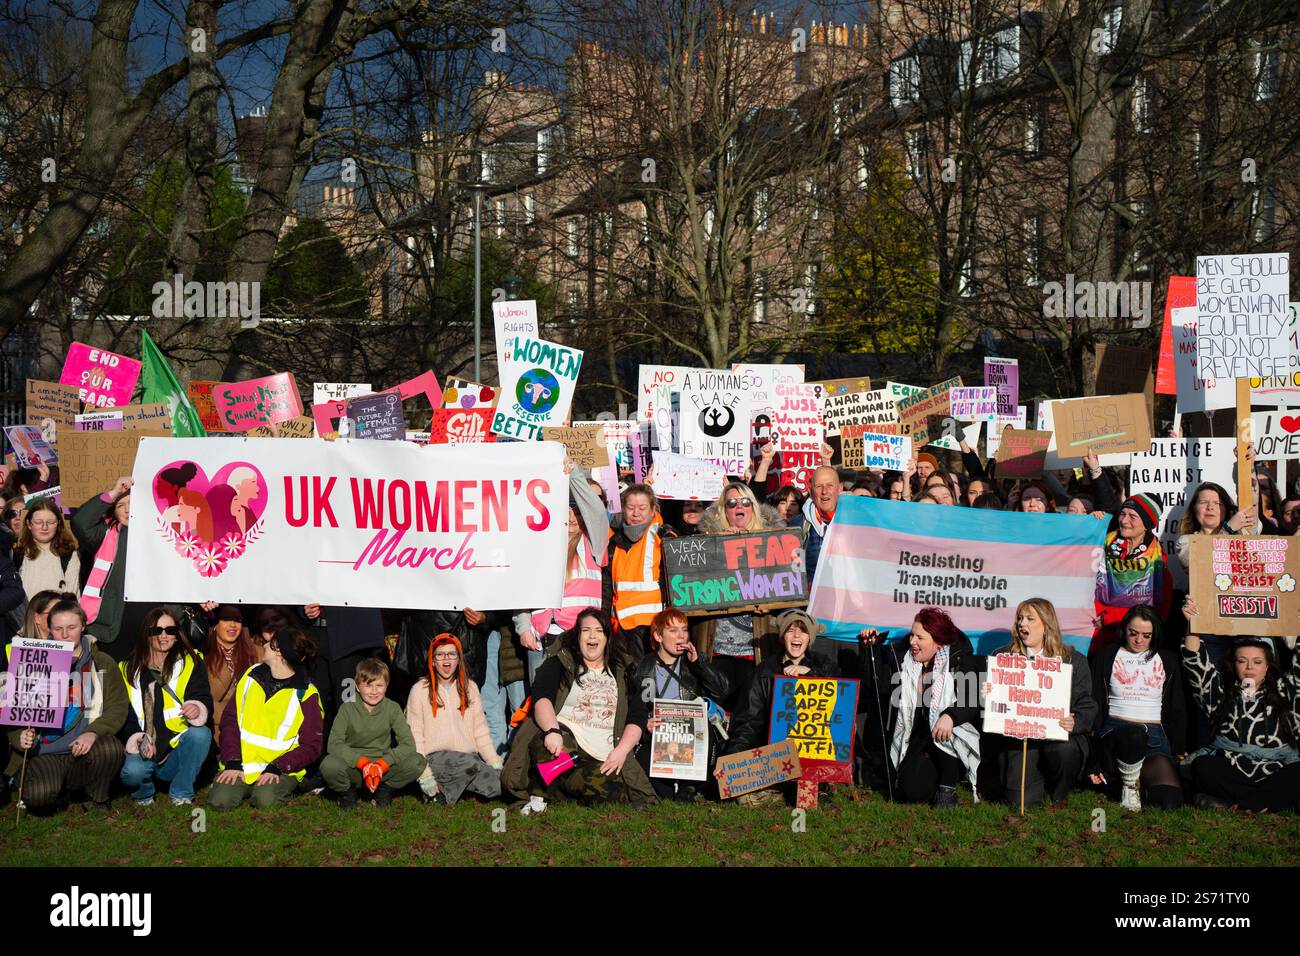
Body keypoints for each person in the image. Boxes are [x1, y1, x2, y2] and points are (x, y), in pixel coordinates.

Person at [501, 608, 655, 809]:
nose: (592, 635)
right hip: (564, 744)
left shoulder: (625, 671)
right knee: (549, 743)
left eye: (599, 630)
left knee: (613, 793)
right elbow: (542, 697)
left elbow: (637, 716)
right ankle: (543, 794)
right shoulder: (560, 661)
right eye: (586, 630)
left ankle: (557, 790)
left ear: (607, 637)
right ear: (578, 636)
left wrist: (622, 751)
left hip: (602, 754)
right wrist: (552, 730)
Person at [5, 598, 127, 812]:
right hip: (46, 752)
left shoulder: (103, 662)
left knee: (110, 748)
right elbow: (17, 714)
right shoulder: (34, 661)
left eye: (71, 627)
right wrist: (20, 736)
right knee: (38, 798)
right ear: (49, 630)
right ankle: (59, 791)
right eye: (58, 628)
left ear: (83, 626)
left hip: (84, 748)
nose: (65, 634)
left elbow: (117, 707)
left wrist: (93, 732)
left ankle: (98, 797)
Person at [1180, 597, 1300, 811]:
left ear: (1268, 666)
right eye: (1242, 661)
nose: (1249, 667)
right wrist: (1192, 624)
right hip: (1230, 764)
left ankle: (1234, 804)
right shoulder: (1221, 692)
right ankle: (1262, 803)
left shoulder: (1285, 690)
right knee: (1202, 766)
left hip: (1274, 767)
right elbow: (1195, 664)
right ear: (1233, 664)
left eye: (1257, 662)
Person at [861, 608, 982, 808]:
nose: (912, 642)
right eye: (912, 635)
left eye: (920, 637)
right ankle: (929, 775)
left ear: (937, 642)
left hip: (948, 734)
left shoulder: (960, 660)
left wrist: (950, 716)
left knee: (942, 723)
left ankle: (948, 785)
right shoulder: (903, 659)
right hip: (917, 737)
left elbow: (971, 700)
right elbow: (876, 686)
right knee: (911, 792)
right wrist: (870, 649)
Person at [992, 599, 1097, 806]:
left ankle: (1059, 792)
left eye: (1031, 619)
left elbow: (1087, 704)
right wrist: (988, 694)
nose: (1023, 624)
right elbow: (993, 706)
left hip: (1058, 737)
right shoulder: (1002, 657)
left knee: (1064, 751)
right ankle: (1034, 782)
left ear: (1047, 625)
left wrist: (1075, 722)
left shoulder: (1074, 660)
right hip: (1020, 739)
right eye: (1020, 619)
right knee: (1019, 800)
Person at [688, 482, 782, 711]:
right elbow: (691, 585)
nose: (739, 506)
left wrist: (773, 607)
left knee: (750, 718)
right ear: (724, 509)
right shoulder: (707, 541)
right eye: (731, 502)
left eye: (745, 501)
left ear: (753, 507)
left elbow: (789, 590)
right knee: (718, 716)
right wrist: (717, 544)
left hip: (756, 648)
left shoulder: (775, 541)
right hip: (717, 648)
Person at [208, 627, 324, 810]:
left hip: (280, 769)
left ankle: (292, 786)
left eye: (270, 643)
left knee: (265, 801)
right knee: (220, 801)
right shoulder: (250, 675)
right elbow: (230, 721)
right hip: (241, 764)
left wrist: (278, 766)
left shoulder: (307, 694)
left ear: (279, 652)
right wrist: (232, 760)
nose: (264, 644)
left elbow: (311, 746)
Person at [1087, 605, 1186, 812]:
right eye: (1133, 633)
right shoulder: (1106, 656)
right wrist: (1094, 754)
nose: (1139, 640)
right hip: (1116, 732)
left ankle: (1133, 782)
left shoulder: (1167, 659)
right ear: (1124, 630)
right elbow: (1094, 702)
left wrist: (1177, 748)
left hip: (1155, 736)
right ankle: (1129, 785)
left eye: (1146, 635)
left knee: (1169, 802)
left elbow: (1176, 707)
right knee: (1133, 734)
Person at [628, 608, 731, 800]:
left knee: (704, 728)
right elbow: (638, 708)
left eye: (684, 630)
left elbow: (722, 690)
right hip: (659, 734)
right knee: (650, 773)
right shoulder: (644, 667)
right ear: (658, 636)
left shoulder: (692, 662)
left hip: (691, 736)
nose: (681, 636)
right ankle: (668, 789)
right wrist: (646, 723)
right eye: (673, 631)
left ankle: (689, 788)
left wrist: (698, 664)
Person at [118, 607, 213, 806]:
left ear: (177, 636)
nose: (163, 636)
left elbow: (202, 696)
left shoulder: (192, 662)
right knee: (133, 773)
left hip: (176, 749)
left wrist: (197, 707)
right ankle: (144, 795)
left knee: (201, 734)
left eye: (170, 630)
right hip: (143, 748)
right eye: (156, 631)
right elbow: (125, 715)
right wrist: (138, 738)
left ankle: (181, 792)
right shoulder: (126, 669)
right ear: (146, 635)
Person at [405, 634, 503, 806]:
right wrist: (424, 775)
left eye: (451, 654)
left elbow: (480, 732)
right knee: (470, 765)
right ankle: (436, 794)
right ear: (433, 661)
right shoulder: (419, 690)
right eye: (440, 655)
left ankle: (452, 789)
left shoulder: (470, 688)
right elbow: (415, 737)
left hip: (469, 759)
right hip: (435, 760)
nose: (446, 659)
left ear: (459, 659)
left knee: (498, 785)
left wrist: (494, 762)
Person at [726, 610, 839, 759]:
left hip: (815, 757)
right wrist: (733, 760)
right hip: (774, 757)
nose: (797, 635)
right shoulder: (764, 672)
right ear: (782, 637)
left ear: (810, 638)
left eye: (803, 631)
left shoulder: (825, 665)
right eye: (790, 630)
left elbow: (840, 705)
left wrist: (811, 675)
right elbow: (748, 721)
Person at [321, 658, 423, 809]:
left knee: (417, 761)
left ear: (387, 686)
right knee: (329, 765)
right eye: (368, 685)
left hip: (382, 766)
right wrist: (363, 763)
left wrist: (383, 763)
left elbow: (408, 744)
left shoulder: (393, 708)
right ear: (357, 686)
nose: (374, 691)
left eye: (379, 685)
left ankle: (384, 790)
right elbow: (334, 744)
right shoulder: (347, 708)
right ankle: (347, 793)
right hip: (355, 767)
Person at [71, 476, 142, 661]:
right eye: (120, 505)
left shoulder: (163, 534)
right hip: (111, 631)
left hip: (152, 631)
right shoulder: (105, 534)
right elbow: (80, 522)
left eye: (132, 503)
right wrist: (115, 492)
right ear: (113, 511)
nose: (127, 509)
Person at [1094, 493, 1173, 652]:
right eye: (1122, 514)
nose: (1124, 520)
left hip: (1134, 647)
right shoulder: (1099, 546)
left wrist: (1110, 617)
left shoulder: (1158, 570)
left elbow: (1158, 615)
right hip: (1096, 639)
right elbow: (1084, 585)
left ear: (1147, 524)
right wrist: (1088, 524)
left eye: (1132, 516)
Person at [608, 483, 674, 653]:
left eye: (642, 508)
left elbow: (675, 583)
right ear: (623, 510)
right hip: (620, 629)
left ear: (653, 510)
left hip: (652, 629)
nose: (636, 513)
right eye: (630, 507)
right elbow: (607, 587)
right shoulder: (615, 542)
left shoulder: (665, 537)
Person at [204, 604, 261, 745]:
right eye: (226, 618)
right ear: (215, 625)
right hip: (217, 728)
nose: (233, 624)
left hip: (254, 728)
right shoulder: (203, 655)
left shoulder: (258, 653)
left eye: (237, 619)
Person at [12, 499, 80, 599]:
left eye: (51, 522)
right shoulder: (17, 554)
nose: (44, 527)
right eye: (38, 522)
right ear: (29, 524)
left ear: (58, 524)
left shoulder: (69, 555)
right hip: (25, 614)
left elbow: (72, 599)